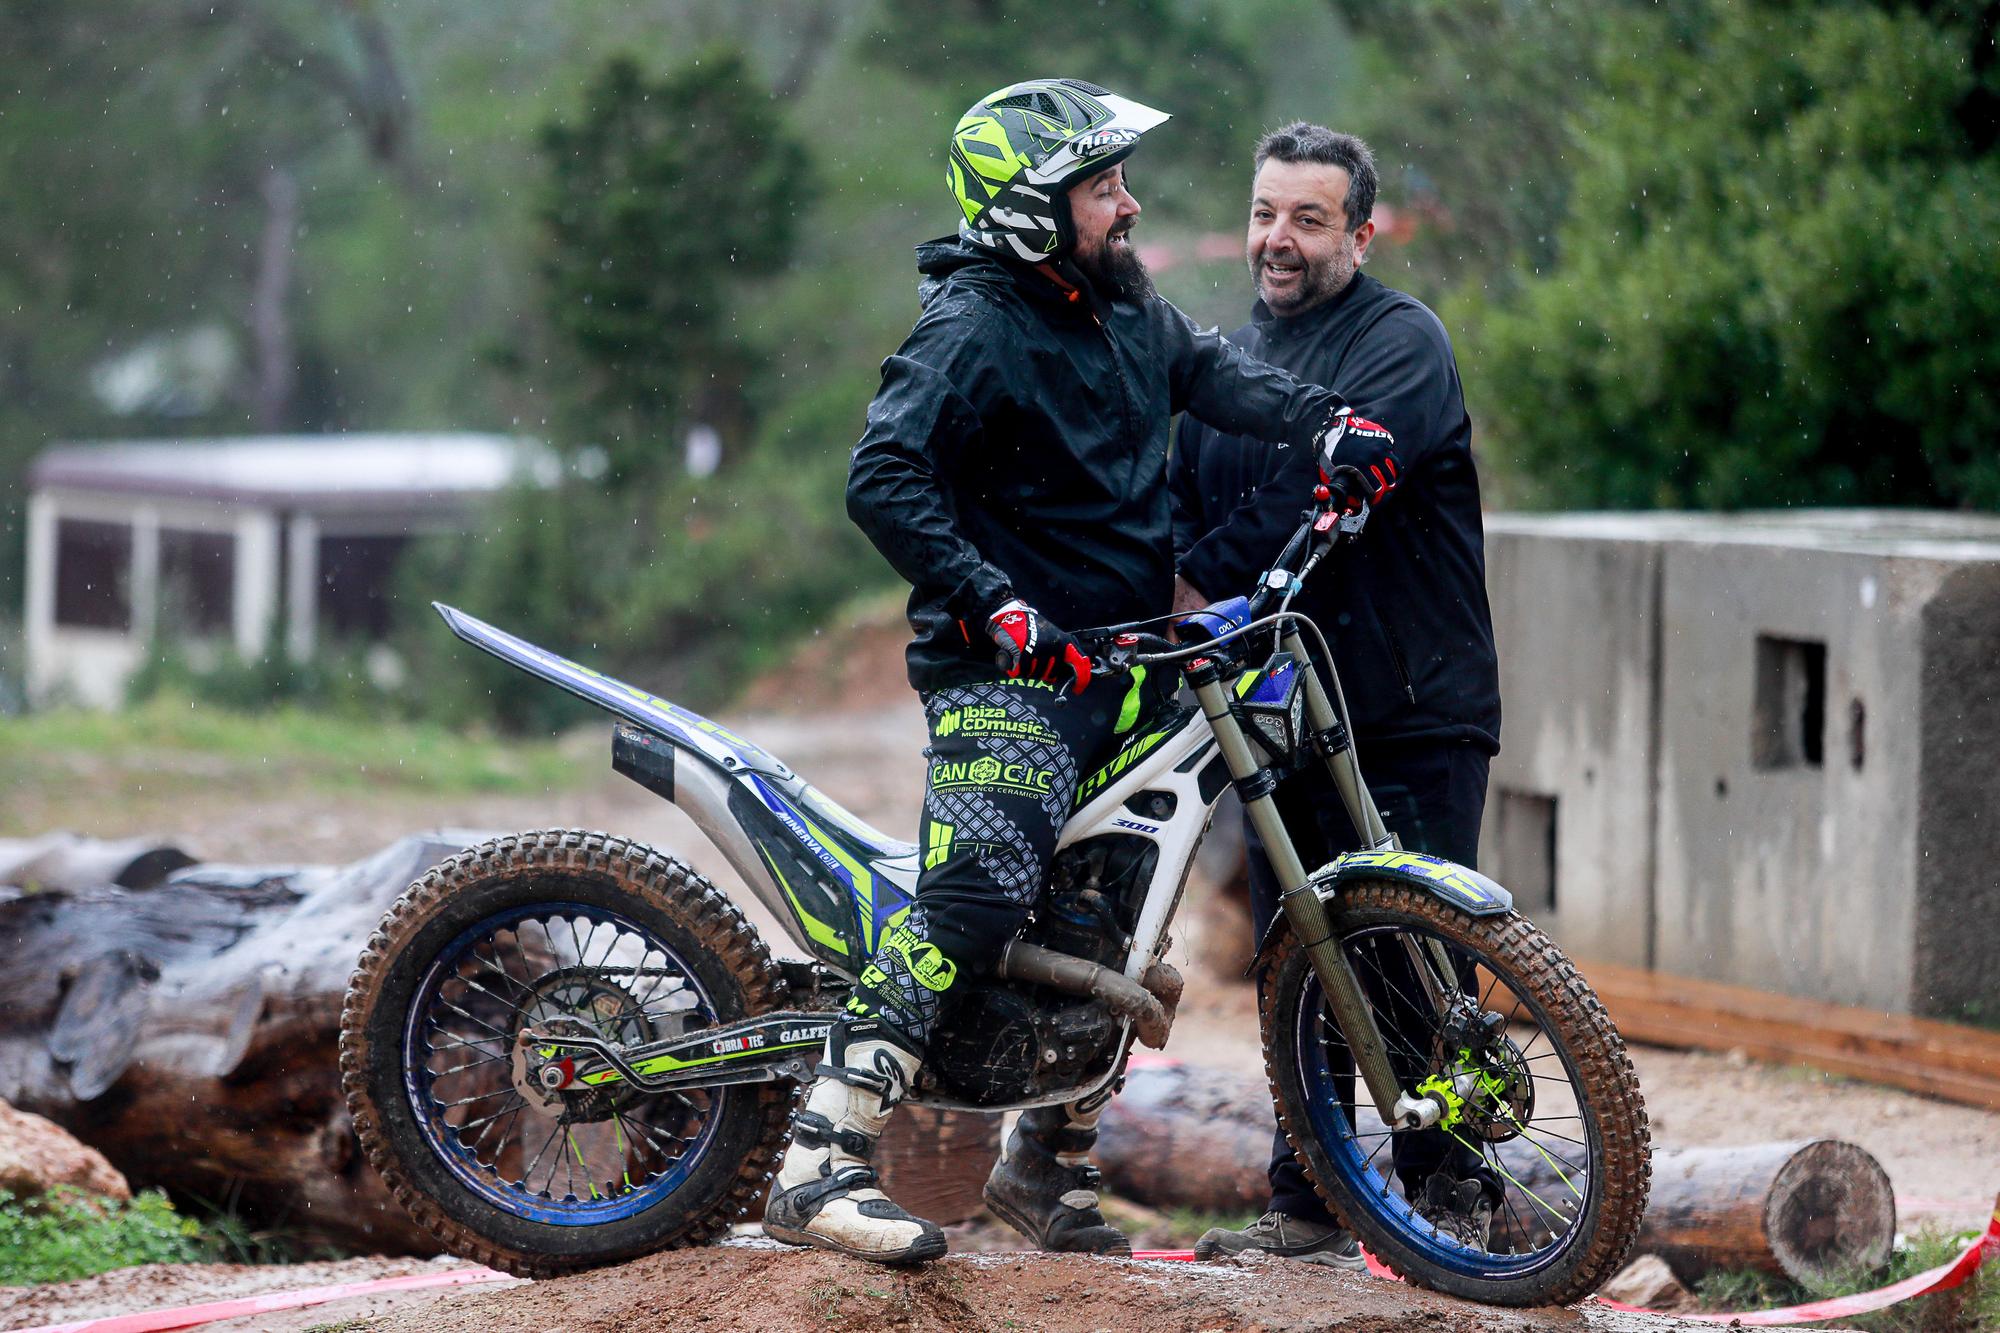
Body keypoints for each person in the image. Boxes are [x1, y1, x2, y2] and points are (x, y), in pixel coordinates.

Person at [763, 80, 1347, 1267]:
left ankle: (1042, 1163)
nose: (1127, 205)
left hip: (1122, 660)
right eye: (1101, 188)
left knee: (1117, 912)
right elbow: (882, 478)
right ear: (1034, 213)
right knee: (977, 894)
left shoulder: (1122, 305)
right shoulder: (970, 327)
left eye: (1121, 182)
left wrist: (1331, 424)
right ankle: (817, 1157)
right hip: (1005, 674)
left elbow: (1218, 377)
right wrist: (992, 597)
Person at [1171, 124, 1504, 1266]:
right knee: (1292, 960)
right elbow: (1172, 506)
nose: (1278, 239)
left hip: (1407, 708)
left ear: (1359, 234)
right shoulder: (1220, 363)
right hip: (1279, 723)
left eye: (1308, 220)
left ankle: (1454, 1201)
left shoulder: (1398, 340)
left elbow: (1312, 497)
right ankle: (1307, 1202)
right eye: (1265, 213)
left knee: (1417, 959)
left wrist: (1188, 582)